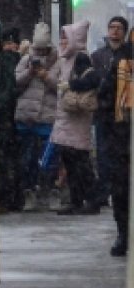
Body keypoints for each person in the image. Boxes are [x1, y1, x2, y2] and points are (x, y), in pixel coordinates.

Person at [50, 20, 102, 216]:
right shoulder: (66, 59)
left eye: (66, 37)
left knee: (80, 163)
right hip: (66, 118)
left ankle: (91, 200)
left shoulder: (80, 58)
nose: (63, 41)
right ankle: (77, 201)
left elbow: (91, 81)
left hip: (76, 118)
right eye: (62, 37)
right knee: (72, 163)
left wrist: (70, 85)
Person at [14, 23, 58, 203]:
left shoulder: (57, 61)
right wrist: (30, 72)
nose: (39, 54)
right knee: (27, 157)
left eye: (42, 49)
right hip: (26, 116)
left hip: (47, 115)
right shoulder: (26, 60)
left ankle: (47, 186)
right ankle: (29, 189)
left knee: (48, 156)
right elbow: (16, 82)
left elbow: (60, 86)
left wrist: (46, 76)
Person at [99, 28, 134, 255]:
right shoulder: (120, 66)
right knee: (121, 190)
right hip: (123, 138)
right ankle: (123, 233)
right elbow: (104, 96)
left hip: (122, 138)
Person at [92, 16, 129, 211]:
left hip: (123, 113)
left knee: (120, 155)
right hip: (103, 112)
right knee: (103, 154)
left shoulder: (128, 55)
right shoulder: (98, 56)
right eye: (111, 27)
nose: (114, 31)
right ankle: (104, 192)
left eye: (119, 28)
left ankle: (118, 191)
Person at [0, 25, 23, 212]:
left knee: (4, 160)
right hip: (15, 118)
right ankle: (14, 196)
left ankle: (7, 197)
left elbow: (7, 91)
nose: (9, 46)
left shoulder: (2, 61)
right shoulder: (19, 61)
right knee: (11, 160)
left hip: (5, 118)